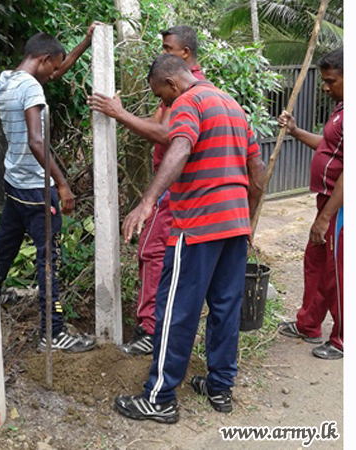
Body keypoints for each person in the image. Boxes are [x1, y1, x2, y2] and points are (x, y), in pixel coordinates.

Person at [114, 54, 265, 423]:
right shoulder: (232, 105)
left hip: (197, 225)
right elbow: (257, 173)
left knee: (175, 311)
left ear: (171, 84)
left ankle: (159, 398)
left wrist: (147, 201)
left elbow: (179, 146)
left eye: (162, 98)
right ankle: (219, 387)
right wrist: (246, 220)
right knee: (226, 307)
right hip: (235, 225)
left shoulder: (189, 101)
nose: (165, 105)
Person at [87, 25, 206, 356]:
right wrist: (121, 114)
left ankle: (151, 329)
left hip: (175, 186)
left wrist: (119, 113)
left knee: (152, 251)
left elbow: (167, 136)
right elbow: (157, 127)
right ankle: (157, 325)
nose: (163, 53)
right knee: (158, 253)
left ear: (184, 54)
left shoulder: (186, 91)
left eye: (168, 48)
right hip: (170, 183)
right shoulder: (179, 88)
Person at [0, 26, 101, 353]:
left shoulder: (7, 82)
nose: (56, 73)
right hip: (37, 189)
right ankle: (52, 332)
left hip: (13, 183)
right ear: (42, 60)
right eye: (53, 66)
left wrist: (85, 41)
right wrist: (63, 184)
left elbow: (56, 69)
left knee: (4, 248)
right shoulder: (32, 91)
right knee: (48, 261)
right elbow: (36, 142)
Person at [277, 47, 343, 360]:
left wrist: (327, 217)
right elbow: (328, 146)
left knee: (337, 273)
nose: (325, 87)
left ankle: (342, 338)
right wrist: (294, 131)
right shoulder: (342, 108)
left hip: (339, 206)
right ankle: (309, 324)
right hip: (325, 201)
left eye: (331, 80)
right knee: (315, 263)